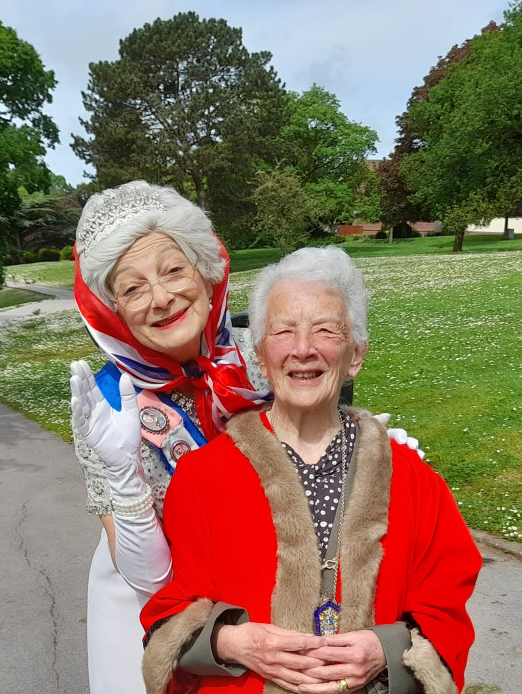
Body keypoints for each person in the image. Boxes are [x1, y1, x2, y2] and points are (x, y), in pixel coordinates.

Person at [139, 246, 481, 694]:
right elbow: (173, 605)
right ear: (261, 356)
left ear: (355, 354)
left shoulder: (415, 480)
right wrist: (232, 641)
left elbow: (446, 606)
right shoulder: (202, 476)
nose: (303, 349)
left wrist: (388, 648)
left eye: (325, 330)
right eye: (283, 331)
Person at [69, 181, 273, 694]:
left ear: (207, 273)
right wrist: (124, 479)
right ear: (111, 310)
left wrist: (365, 448)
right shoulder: (105, 405)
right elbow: (150, 582)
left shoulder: (271, 353)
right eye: (132, 288)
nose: (160, 298)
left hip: (272, 581)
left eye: (172, 270)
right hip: (154, 602)